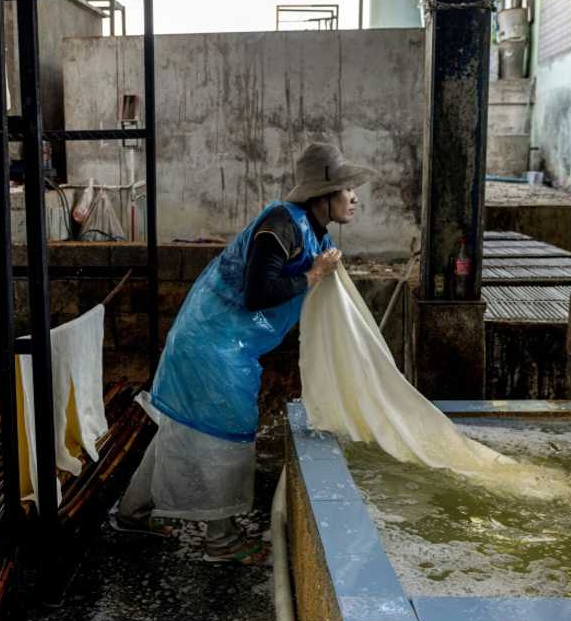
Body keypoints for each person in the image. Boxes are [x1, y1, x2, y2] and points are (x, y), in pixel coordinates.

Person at [114, 142, 375, 564]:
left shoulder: (310, 229)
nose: (354, 197)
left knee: (181, 429)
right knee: (227, 432)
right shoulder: (281, 224)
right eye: (346, 189)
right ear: (321, 194)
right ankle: (222, 541)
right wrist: (314, 274)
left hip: (216, 341)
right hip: (213, 346)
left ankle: (132, 514)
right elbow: (258, 294)